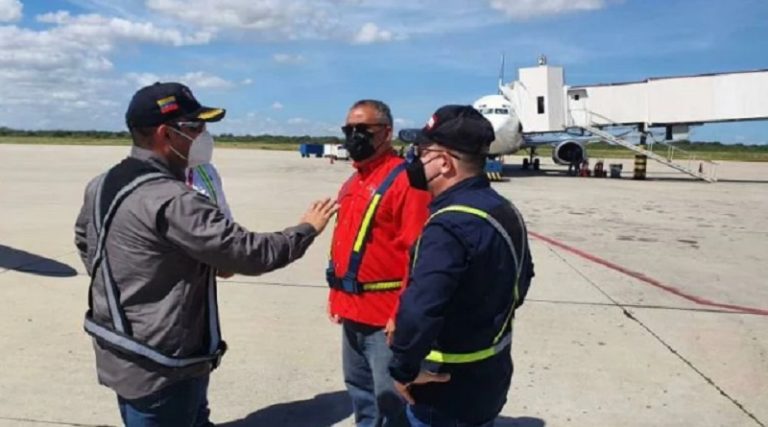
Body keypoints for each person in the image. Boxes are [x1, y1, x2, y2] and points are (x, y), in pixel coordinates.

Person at [74, 82, 338, 427]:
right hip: (163, 363)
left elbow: (85, 240)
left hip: (122, 348)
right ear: (163, 134)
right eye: (195, 127)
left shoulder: (104, 182)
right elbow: (247, 253)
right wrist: (305, 230)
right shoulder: (174, 199)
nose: (204, 135)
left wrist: (137, 275)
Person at [388, 105, 535, 426]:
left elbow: (420, 309)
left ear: (443, 163)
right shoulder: (503, 209)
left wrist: (403, 371)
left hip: (443, 389)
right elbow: (522, 280)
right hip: (490, 374)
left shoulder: (448, 225)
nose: (413, 159)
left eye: (421, 151)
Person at [326, 99, 431, 426]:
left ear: (386, 132)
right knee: (359, 391)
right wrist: (336, 297)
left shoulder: (405, 182)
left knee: (391, 401)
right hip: (352, 311)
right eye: (349, 129)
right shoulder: (353, 182)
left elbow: (419, 254)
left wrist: (402, 313)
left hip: (385, 318)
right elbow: (347, 246)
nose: (353, 136)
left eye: (363, 130)